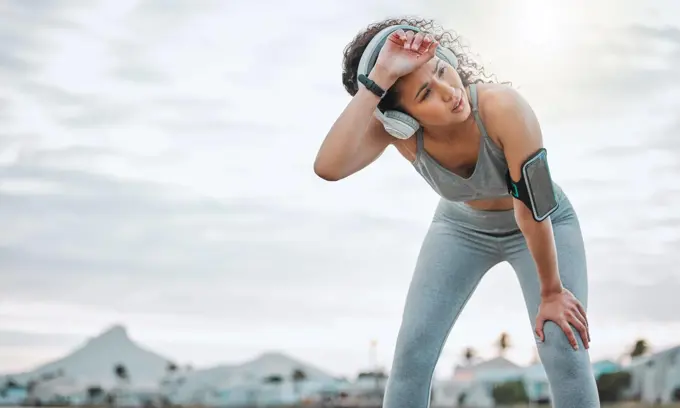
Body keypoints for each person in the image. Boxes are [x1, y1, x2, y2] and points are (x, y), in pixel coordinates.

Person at [313, 17, 599, 408]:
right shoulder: (401, 133)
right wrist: (377, 80)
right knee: (412, 356)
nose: (450, 92)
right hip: (460, 228)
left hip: (542, 222)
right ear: (401, 118)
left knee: (563, 345)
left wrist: (552, 292)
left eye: (443, 70)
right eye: (427, 93)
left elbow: (532, 210)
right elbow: (328, 166)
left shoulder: (503, 107)